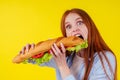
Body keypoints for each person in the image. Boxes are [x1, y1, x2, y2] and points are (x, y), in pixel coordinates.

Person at [19, 8, 117, 80]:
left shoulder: (105, 58)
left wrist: (62, 66)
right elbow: (39, 60)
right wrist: (30, 53)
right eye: (68, 26)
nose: (74, 29)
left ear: (90, 27)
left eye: (79, 23)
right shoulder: (65, 56)